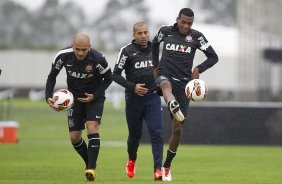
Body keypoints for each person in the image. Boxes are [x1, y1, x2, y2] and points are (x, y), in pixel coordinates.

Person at [152, 8, 218, 181]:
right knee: (165, 84)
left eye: (190, 23)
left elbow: (213, 57)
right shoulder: (164, 31)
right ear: (177, 20)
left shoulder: (197, 36)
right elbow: (153, 44)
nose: (186, 26)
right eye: (184, 22)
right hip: (165, 74)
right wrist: (155, 67)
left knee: (178, 129)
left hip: (184, 84)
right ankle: (171, 103)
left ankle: (166, 166)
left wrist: (197, 69)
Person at [45, 33, 113, 182]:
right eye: (77, 49)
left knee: (92, 126)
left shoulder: (98, 58)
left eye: (84, 49)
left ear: (90, 47)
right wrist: (48, 96)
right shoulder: (63, 56)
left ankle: (91, 169)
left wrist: (94, 95)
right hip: (74, 100)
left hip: (94, 97)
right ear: (72, 46)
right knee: (75, 137)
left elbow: (109, 78)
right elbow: (52, 76)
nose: (81, 53)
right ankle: (89, 162)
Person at [113, 22, 164, 180]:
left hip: (153, 98)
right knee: (135, 136)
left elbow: (161, 69)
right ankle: (131, 160)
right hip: (134, 100)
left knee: (157, 133)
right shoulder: (126, 51)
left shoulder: (155, 48)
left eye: (146, 32)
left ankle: (158, 169)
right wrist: (133, 87)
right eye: (140, 33)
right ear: (134, 35)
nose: (144, 36)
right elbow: (115, 75)